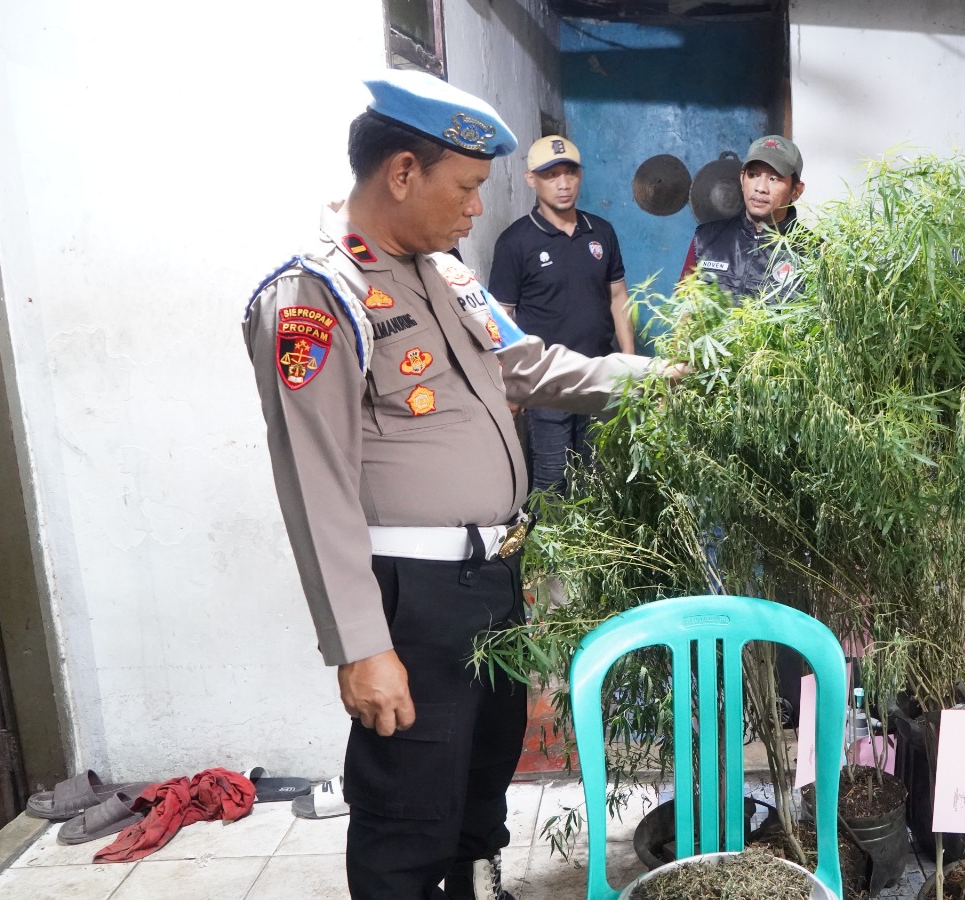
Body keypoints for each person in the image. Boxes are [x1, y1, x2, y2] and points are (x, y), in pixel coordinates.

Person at [242, 70, 670, 900]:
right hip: (414, 600)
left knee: (481, 778)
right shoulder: (316, 297)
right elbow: (315, 485)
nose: (478, 208)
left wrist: (658, 378)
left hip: (491, 580)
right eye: (467, 187)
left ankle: (476, 885)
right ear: (403, 173)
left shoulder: (448, 277)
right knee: (410, 806)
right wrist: (361, 648)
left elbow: (531, 365)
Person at [490, 135, 634, 496]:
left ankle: (598, 550)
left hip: (600, 374)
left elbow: (618, 297)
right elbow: (501, 319)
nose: (563, 183)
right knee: (551, 479)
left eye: (570, 173)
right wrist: (509, 386)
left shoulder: (600, 231)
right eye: (551, 174)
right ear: (531, 179)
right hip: (547, 383)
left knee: (598, 476)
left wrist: (630, 364)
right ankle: (546, 551)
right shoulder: (515, 242)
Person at [679, 134, 806, 302]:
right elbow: (683, 314)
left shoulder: (814, 254)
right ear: (742, 178)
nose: (760, 188)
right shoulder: (705, 240)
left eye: (774, 178)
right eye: (753, 175)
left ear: (796, 191)